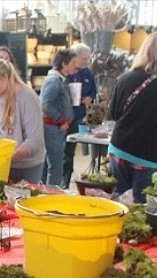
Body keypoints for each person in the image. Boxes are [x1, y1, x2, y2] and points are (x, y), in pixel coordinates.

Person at [108, 33, 157, 203]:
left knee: (116, 201)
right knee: (142, 206)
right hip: (148, 155)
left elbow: (113, 114)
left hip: (119, 148)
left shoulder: (124, 78)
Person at [0, 56, 45, 183]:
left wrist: (7, 158)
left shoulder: (27, 97)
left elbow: (35, 141)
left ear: (6, 78)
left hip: (25, 167)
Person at [40, 49, 77, 187]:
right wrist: (61, 120)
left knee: (52, 163)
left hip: (55, 128)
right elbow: (45, 104)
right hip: (53, 128)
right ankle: (51, 194)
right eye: (73, 62)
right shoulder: (54, 81)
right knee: (55, 164)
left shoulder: (58, 80)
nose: (75, 65)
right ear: (64, 64)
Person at [63, 43, 97, 189]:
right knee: (61, 151)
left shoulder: (88, 73)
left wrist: (90, 98)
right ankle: (60, 180)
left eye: (88, 59)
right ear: (75, 57)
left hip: (79, 116)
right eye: (83, 58)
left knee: (71, 150)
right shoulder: (67, 72)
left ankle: (66, 179)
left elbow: (94, 92)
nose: (86, 61)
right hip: (63, 116)